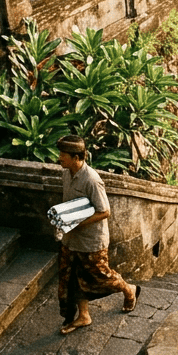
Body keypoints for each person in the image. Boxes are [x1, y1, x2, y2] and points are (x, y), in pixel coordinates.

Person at [54, 136, 138, 334]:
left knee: (102, 276)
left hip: (91, 241)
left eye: (63, 155)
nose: (59, 158)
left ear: (76, 157)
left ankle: (129, 290)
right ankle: (83, 316)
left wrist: (78, 224)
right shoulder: (67, 173)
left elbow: (104, 211)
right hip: (70, 238)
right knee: (73, 276)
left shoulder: (92, 180)